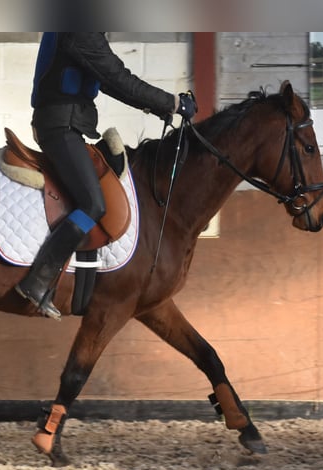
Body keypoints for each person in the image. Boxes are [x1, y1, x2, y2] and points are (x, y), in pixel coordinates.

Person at [15, 32, 197, 320]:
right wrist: (171, 103)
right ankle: (37, 281)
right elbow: (116, 76)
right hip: (61, 125)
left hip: (67, 122)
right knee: (92, 204)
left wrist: (159, 105)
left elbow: (108, 80)